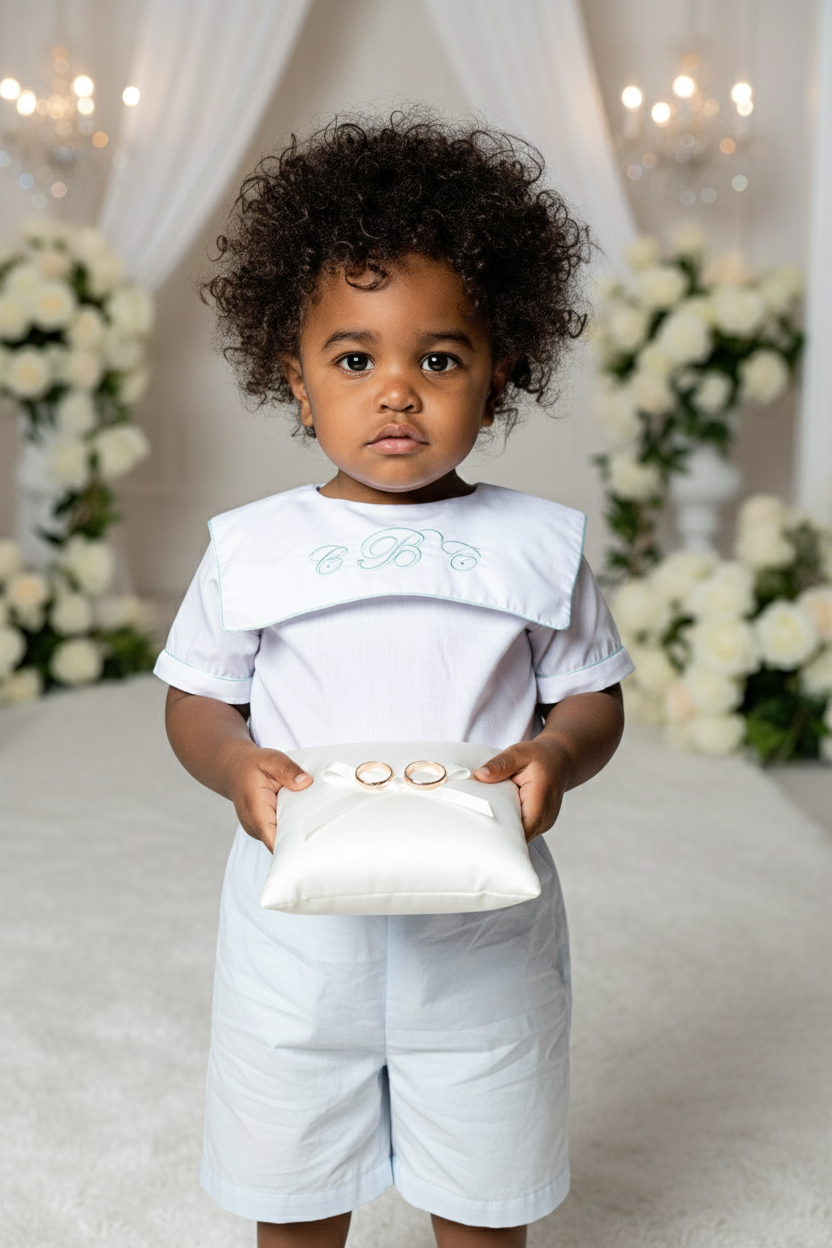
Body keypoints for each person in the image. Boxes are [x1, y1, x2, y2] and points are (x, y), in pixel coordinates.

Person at [155, 113, 633, 1248]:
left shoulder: (538, 549)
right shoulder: (254, 548)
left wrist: (556, 753)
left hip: (479, 930)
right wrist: (235, 766)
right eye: (356, 360)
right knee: (291, 1161)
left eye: (440, 359)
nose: (398, 393)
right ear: (297, 379)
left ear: (499, 373)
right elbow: (196, 697)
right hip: (296, 928)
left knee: (485, 1157)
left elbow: (592, 697)